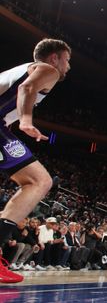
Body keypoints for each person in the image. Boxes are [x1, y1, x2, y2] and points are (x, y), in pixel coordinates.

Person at [0, 39, 71, 283]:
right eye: (67, 60)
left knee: (37, 181)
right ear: (54, 58)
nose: (68, 67)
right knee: (39, 181)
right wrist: (26, 120)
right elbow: (27, 89)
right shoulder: (47, 70)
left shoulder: (21, 69)